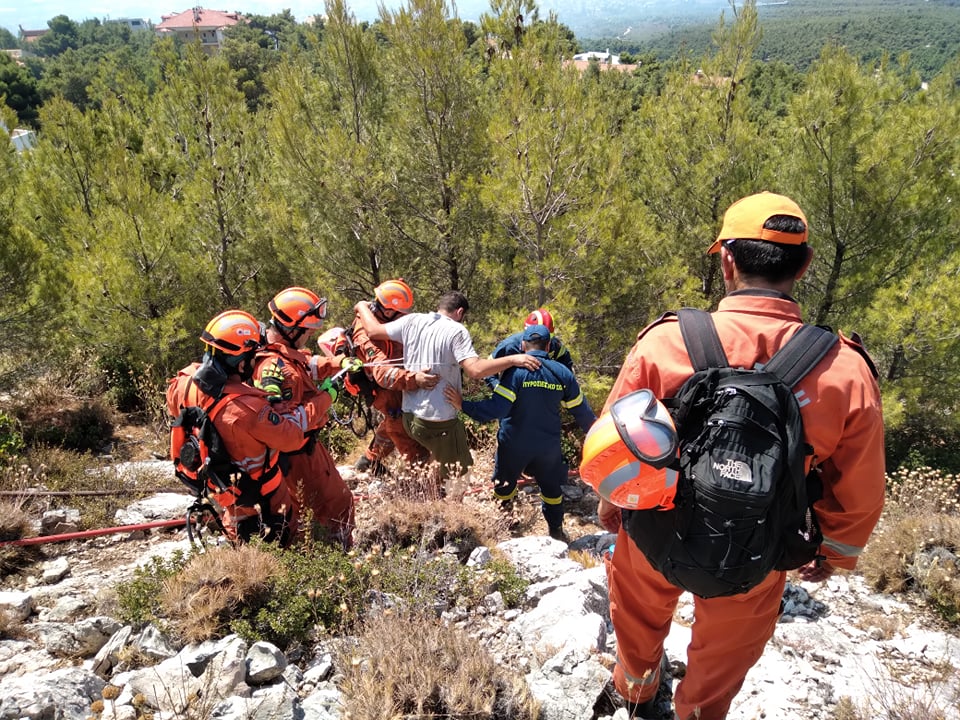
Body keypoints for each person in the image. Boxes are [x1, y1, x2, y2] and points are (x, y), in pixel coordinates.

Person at [597, 191, 886, 720]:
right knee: (726, 652)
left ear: (727, 259)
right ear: (806, 264)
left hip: (655, 529)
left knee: (637, 619)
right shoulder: (845, 369)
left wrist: (613, 511)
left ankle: (636, 691)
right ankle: (699, 713)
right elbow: (859, 485)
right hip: (758, 545)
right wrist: (835, 553)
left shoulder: (666, 342)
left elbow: (612, 439)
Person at [166, 310, 320, 546]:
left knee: (238, 534)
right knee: (278, 547)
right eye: (253, 355)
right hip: (263, 497)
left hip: (223, 489)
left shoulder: (184, 383)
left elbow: (175, 405)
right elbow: (291, 438)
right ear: (240, 362)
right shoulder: (249, 409)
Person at [352, 290, 541, 482]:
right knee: (459, 472)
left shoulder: (412, 320)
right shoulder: (457, 331)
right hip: (438, 421)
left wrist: (361, 306)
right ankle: (443, 500)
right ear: (459, 312)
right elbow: (475, 370)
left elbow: (373, 330)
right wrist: (513, 359)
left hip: (409, 416)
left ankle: (395, 472)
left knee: (429, 456)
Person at [444, 323, 596, 541]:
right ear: (549, 345)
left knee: (504, 484)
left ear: (523, 345)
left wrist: (463, 405)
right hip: (548, 446)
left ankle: (508, 525)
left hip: (514, 444)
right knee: (552, 490)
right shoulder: (563, 373)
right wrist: (600, 436)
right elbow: (583, 414)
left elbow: (497, 409)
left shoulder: (515, 373)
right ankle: (556, 531)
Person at [253, 286, 359, 548]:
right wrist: (327, 397)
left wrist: (339, 363)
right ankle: (335, 562)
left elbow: (308, 364)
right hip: (298, 456)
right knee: (336, 506)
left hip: (304, 451)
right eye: (308, 329)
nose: (311, 334)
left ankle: (313, 555)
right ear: (291, 328)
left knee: (309, 511)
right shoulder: (275, 367)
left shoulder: (283, 354)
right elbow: (288, 426)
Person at [349, 279, 438, 475]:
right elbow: (383, 374)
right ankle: (423, 474)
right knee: (398, 422)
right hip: (383, 387)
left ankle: (369, 459)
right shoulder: (365, 334)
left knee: (392, 420)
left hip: (399, 378)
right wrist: (414, 379)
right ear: (388, 311)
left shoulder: (385, 319)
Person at [485, 308, 574, 389]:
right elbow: (487, 369)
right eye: (535, 340)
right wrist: (499, 389)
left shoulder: (556, 347)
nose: (541, 344)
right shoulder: (510, 345)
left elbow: (568, 375)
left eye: (546, 339)